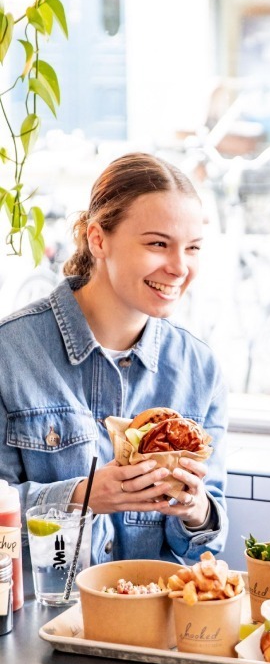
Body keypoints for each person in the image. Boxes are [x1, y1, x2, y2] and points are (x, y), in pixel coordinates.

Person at [0, 152, 228, 565]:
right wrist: (78, 498)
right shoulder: (10, 353)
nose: (179, 267)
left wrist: (195, 511)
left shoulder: (199, 367)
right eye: (158, 244)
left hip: (151, 618)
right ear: (98, 239)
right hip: (40, 620)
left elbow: (206, 545)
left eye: (192, 248)